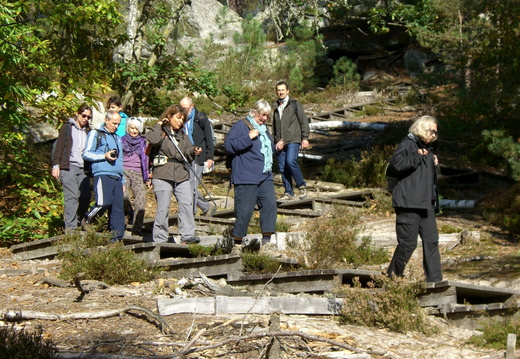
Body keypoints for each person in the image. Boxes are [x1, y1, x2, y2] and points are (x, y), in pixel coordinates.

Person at [386, 115, 443, 283]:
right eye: (432, 131)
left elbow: (428, 178)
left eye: (435, 133)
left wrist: (434, 164)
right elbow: (395, 165)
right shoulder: (408, 144)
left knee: (431, 242)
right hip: (408, 204)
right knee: (408, 244)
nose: (434, 135)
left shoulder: (427, 150)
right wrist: (418, 156)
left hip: (426, 205)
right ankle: (392, 278)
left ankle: (435, 280)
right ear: (422, 128)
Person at [224, 99, 277, 249]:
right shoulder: (241, 126)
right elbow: (228, 146)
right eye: (262, 115)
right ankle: (237, 245)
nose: (265, 119)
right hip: (246, 176)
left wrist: (276, 148)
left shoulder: (264, 129)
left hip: (265, 175)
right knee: (245, 212)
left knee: (270, 206)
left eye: (267, 116)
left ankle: (267, 243)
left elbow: (266, 150)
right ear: (254, 112)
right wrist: (248, 137)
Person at [146, 105, 202, 244]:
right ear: (169, 116)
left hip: (181, 174)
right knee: (163, 207)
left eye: (182, 119)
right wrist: (159, 123)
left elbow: (187, 150)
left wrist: (194, 150)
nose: (180, 122)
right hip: (163, 173)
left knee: (186, 203)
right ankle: (160, 239)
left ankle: (188, 235)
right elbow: (152, 139)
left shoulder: (183, 135)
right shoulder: (160, 132)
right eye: (178, 118)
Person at [82, 110, 125, 242]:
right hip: (102, 173)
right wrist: (104, 156)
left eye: (118, 124)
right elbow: (86, 154)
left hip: (117, 176)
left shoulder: (117, 138)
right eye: (114, 123)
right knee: (103, 202)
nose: (116, 127)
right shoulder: (96, 134)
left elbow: (120, 159)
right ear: (106, 120)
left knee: (118, 209)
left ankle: (116, 239)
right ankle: (87, 218)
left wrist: (123, 180)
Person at [51, 104, 92, 232]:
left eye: (88, 117)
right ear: (77, 113)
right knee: (72, 196)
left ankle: (81, 220)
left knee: (85, 196)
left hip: (83, 169)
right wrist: (56, 165)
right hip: (68, 167)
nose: (85, 118)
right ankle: (71, 229)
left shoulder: (89, 131)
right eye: (83, 115)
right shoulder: (67, 128)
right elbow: (59, 147)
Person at [272, 80, 310, 201]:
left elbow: (303, 121)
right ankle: (288, 192)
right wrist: (275, 141)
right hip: (280, 141)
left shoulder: (294, 104)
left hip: (293, 138)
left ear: (288, 91)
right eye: (279, 90)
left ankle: (302, 186)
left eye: (283, 90)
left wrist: (305, 138)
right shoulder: (276, 106)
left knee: (290, 161)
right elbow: (275, 125)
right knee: (282, 167)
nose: (281, 92)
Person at [179, 97, 216, 217]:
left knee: (192, 186)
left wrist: (210, 157)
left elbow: (209, 138)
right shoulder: (180, 120)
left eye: (184, 109)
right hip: (184, 157)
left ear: (192, 106)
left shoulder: (200, 118)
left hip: (198, 157)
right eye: (181, 108)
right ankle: (207, 207)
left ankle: (191, 215)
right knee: (187, 186)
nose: (182, 111)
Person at [122, 117, 150, 236]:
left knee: (140, 200)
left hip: (139, 173)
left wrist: (148, 176)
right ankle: (126, 218)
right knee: (123, 196)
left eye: (136, 129)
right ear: (128, 128)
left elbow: (148, 159)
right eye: (132, 128)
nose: (134, 131)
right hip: (124, 171)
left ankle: (137, 229)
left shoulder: (144, 142)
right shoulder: (121, 140)